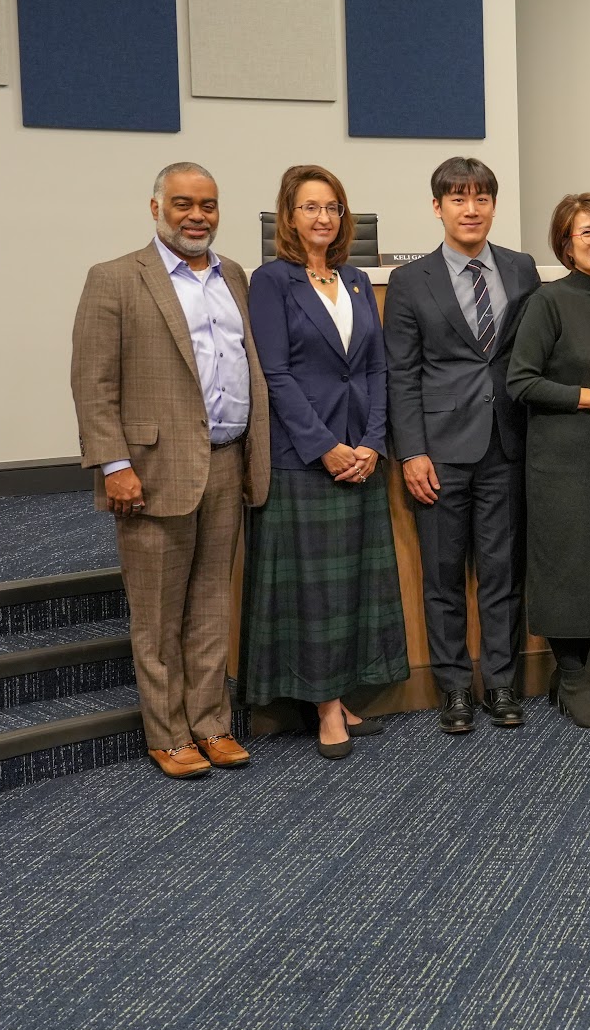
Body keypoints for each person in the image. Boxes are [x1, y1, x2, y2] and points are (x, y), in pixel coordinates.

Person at [69, 162, 269, 779]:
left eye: (208, 205)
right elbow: (93, 383)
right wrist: (115, 464)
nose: (197, 216)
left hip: (227, 461)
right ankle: (168, 733)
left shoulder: (234, 276)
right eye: (183, 204)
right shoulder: (115, 278)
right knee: (157, 614)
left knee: (211, 605)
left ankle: (210, 723)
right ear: (156, 208)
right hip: (153, 470)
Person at [241, 165, 409, 760]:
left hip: (361, 457)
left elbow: (376, 368)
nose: (323, 217)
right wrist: (325, 446)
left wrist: (372, 442)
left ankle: (341, 692)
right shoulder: (271, 282)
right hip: (303, 460)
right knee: (315, 593)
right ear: (288, 216)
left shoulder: (357, 280)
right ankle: (326, 707)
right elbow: (275, 374)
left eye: (333, 207)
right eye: (310, 207)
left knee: (354, 587)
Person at [383, 157, 541, 734]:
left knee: (502, 573)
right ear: (437, 207)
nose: (470, 209)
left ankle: (501, 683)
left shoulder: (522, 268)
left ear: (494, 205)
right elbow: (401, 374)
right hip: (439, 451)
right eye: (457, 198)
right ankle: (453, 688)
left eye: (481, 198)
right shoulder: (410, 281)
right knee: (443, 576)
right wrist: (411, 452)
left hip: (508, 443)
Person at [507, 192, 590, 731]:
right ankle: (572, 677)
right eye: (587, 232)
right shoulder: (548, 301)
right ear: (565, 244)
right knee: (568, 567)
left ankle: (578, 674)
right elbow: (521, 382)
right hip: (561, 458)